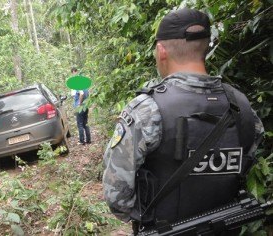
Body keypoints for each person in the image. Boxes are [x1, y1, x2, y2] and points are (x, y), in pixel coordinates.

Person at [102, 7, 264, 235]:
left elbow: (117, 197)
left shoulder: (147, 110)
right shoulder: (243, 106)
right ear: (206, 47)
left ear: (161, 50)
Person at [71, 67, 91, 145]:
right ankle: (89, 140)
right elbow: (87, 94)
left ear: (73, 72)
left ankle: (82, 141)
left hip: (80, 107)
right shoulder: (84, 84)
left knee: (80, 124)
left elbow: (81, 94)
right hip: (86, 106)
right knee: (85, 123)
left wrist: (79, 103)